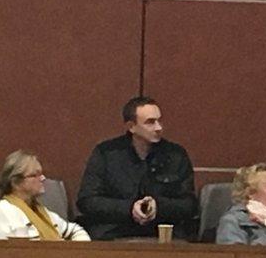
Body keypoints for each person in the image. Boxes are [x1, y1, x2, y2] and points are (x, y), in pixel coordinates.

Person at [77, 97, 198, 240]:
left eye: (159, 120)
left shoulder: (175, 155)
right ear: (131, 126)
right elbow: (88, 201)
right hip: (114, 232)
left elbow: (189, 204)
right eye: (150, 122)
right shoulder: (106, 153)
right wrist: (129, 208)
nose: (159, 127)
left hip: (163, 234)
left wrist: (159, 206)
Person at [0, 150, 89, 241]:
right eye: (35, 175)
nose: (43, 178)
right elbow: (18, 253)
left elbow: (75, 230)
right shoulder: (2, 212)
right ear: (16, 182)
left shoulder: (41, 212)